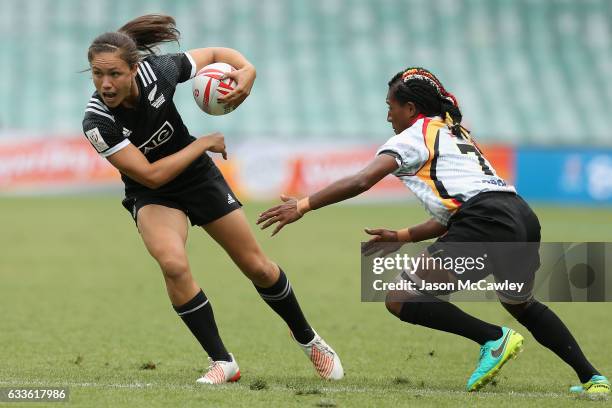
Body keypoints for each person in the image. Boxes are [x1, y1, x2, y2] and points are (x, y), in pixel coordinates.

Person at [257, 67, 609, 398]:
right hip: (519, 216)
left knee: (400, 296)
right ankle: (593, 378)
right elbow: (455, 213)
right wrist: (402, 236)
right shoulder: (454, 132)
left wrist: (302, 205)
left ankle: (493, 338)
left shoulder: (414, 136)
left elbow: (362, 180)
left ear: (410, 108)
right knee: (520, 302)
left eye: (390, 107)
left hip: (486, 219)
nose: (387, 116)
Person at [82, 14, 343, 384]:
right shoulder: (97, 121)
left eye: (114, 74)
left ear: (134, 69)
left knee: (258, 267)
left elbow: (219, 53)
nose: (105, 84)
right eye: (97, 74)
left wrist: (247, 70)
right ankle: (223, 361)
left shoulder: (158, 71)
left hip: (198, 179)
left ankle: (309, 339)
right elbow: (151, 175)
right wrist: (203, 142)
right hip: (152, 192)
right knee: (172, 264)